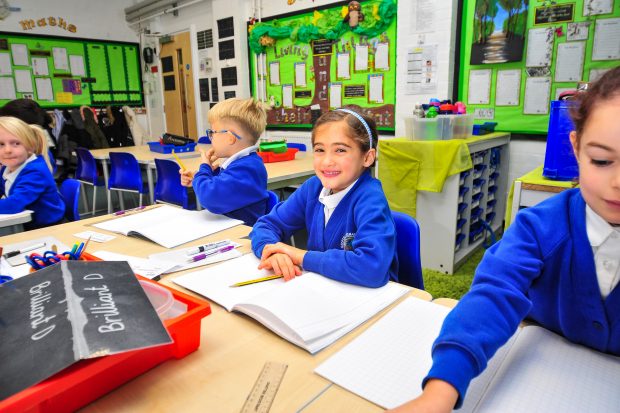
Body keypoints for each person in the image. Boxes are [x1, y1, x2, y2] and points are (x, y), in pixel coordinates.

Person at [390, 66, 620, 412]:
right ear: (575, 148)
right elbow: (492, 295)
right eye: (601, 160)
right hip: (541, 377)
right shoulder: (541, 227)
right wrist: (439, 392)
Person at [249, 108, 398, 287]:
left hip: (368, 297)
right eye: (320, 150)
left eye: (340, 150)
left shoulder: (370, 198)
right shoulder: (313, 187)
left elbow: (371, 267)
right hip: (322, 287)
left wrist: (298, 255)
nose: (327, 161)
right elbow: (267, 224)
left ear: (367, 157)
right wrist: (272, 251)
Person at [180, 98, 268, 225]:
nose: (211, 138)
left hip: (241, 236)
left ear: (230, 138)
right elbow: (226, 187)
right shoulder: (243, 163)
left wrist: (204, 168)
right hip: (227, 228)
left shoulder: (247, 168)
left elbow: (210, 197)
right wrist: (197, 178)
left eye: (212, 132)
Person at [0, 116, 65, 229]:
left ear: (30, 146)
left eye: (16, 143)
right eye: (1, 144)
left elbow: (13, 205)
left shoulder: (35, 172)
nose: (7, 150)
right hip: (29, 224)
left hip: (48, 228)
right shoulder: (7, 167)